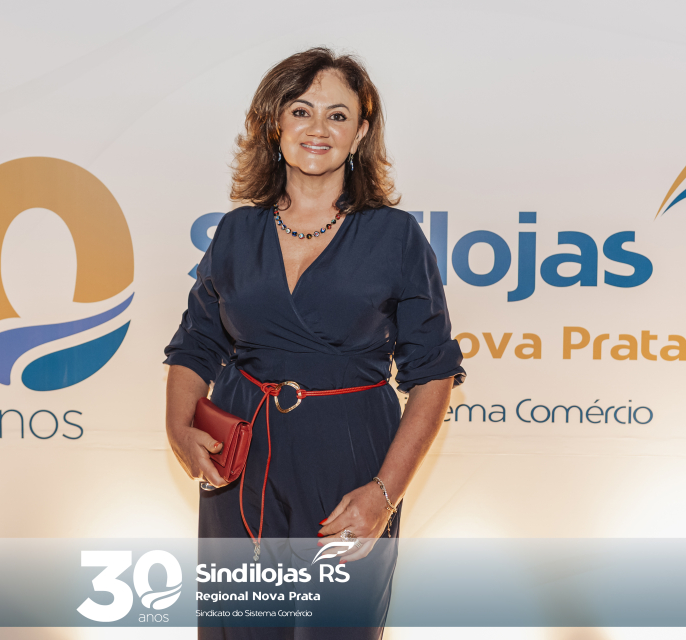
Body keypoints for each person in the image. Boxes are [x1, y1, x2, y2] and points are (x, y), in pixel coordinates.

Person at [164, 47, 465, 639]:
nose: (317, 128)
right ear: (275, 124)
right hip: (241, 461)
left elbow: (432, 374)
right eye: (301, 111)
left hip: (350, 461)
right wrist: (178, 428)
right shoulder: (237, 231)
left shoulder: (396, 235)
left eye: (337, 115)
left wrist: (384, 493)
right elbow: (196, 344)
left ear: (360, 133)